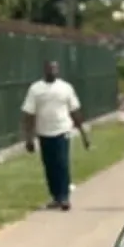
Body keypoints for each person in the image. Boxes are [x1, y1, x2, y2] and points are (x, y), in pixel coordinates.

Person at [21, 60, 88, 211]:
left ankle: (64, 197)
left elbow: (74, 111)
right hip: (44, 133)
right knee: (49, 166)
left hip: (62, 130)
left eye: (55, 68)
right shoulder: (36, 89)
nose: (53, 71)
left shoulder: (65, 88)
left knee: (62, 163)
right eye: (50, 68)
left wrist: (84, 134)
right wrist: (29, 138)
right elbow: (29, 114)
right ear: (45, 70)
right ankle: (56, 197)